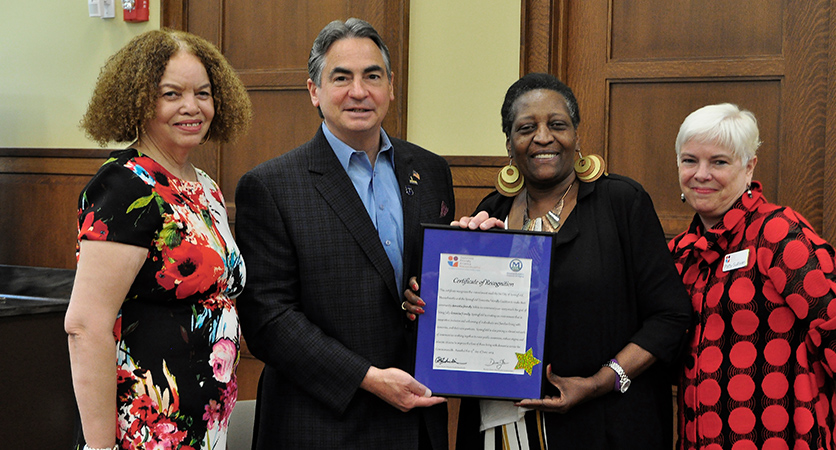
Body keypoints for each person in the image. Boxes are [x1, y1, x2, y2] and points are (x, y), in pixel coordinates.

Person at [408, 72, 692, 449]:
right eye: (527, 128)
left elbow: (669, 317)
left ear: (576, 137)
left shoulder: (622, 203)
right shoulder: (490, 214)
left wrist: (600, 382)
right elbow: (471, 317)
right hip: (503, 428)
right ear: (510, 145)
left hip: (604, 424)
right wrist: (429, 295)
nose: (543, 136)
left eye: (557, 124)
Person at [234, 18, 454, 449]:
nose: (359, 91)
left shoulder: (430, 171)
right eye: (341, 78)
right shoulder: (272, 185)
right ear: (314, 91)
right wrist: (367, 378)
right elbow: (268, 319)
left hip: (418, 426)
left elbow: (434, 280)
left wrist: (477, 248)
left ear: (391, 86)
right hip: (320, 425)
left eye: (372, 76)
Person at [65, 29, 252, 450]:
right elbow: (85, 326)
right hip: (144, 431)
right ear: (139, 101)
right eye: (172, 94)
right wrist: (100, 448)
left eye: (203, 93)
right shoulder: (123, 186)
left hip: (203, 424)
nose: (192, 107)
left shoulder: (204, 185)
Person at [669, 103, 836, 449]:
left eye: (719, 162)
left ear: (749, 168)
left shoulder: (777, 233)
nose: (701, 174)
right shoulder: (681, 252)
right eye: (689, 160)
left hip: (782, 435)